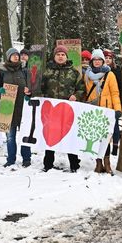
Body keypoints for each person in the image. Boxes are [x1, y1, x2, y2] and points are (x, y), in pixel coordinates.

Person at [38, 45, 85, 173]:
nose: (60, 56)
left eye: (63, 54)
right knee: (50, 137)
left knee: (70, 138)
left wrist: (76, 96)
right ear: (54, 57)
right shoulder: (47, 72)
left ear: (66, 57)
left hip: (68, 111)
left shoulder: (74, 72)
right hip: (52, 111)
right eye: (58, 54)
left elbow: (81, 88)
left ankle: (74, 165)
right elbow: (40, 88)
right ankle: (48, 164)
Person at [83, 49, 121, 175]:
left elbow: (115, 93)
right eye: (95, 60)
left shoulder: (110, 75)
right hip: (93, 110)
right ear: (91, 61)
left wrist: (117, 109)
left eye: (99, 60)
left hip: (106, 111)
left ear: (103, 61)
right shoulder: (87, 75)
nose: (97, 62)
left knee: (106, 138)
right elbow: (85, 93)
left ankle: (107, 163)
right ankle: (98, 163)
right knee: (96, 138)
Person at [0, 48, 31, 168]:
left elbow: (31, 87)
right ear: (8, 57)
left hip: (23, 107)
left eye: (17, 55)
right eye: (13, 55)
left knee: (25, 134)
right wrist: (0, 91)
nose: (16, 57)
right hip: (7, 107)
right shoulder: (2, 72)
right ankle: (11, 159)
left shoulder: (25, 70)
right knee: (10, 136)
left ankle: (26, 159)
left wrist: (29, 93)